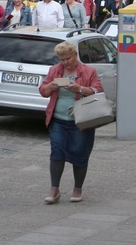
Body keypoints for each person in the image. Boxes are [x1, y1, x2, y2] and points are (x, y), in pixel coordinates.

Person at [39, 41, 104, 204]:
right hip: (58, 120)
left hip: (81, 121)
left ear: (75, 55)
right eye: (61, 59)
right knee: (56, 152)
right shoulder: (55, 71)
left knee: (80, 153)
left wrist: (79, 89)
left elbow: (98, 91)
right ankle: (54, 189)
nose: (65, 63)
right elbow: (43, 91)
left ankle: (77, 188)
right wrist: (51, 87)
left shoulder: (89, 72)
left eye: (67, 59)